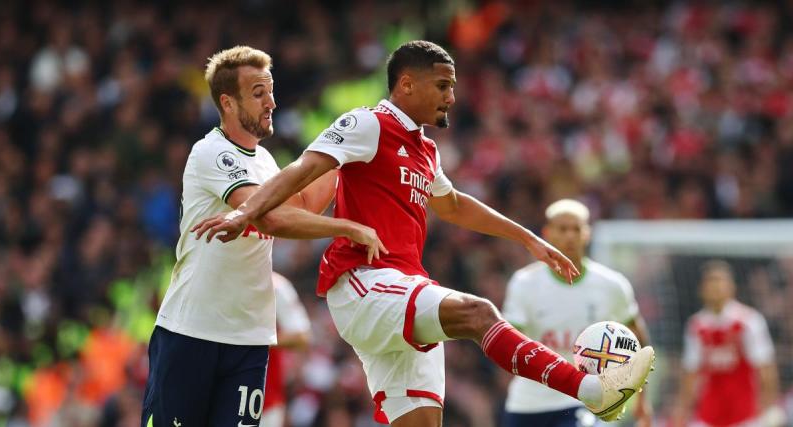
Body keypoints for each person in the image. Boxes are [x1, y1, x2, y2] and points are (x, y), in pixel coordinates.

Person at [192, 40, 654, 426]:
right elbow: (303, 168)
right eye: (442, 85)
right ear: (406, 84)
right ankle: (589, 388)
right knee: (477, 313)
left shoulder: (425, 150)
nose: (451, 96)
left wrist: (528, 238)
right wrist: (244, 213)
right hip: (364, 281)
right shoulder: (368, 123)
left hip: (403, 286)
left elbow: (453, 205)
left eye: (452, 86)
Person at [141, 46, 385, 427]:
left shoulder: (265, 161)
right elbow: (268, 217)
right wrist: (346, 227)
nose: (271, 102)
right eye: (258, 93)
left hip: (249, 338)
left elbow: (301, 206)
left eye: (270, 91)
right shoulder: (210, 153)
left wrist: (344, 155)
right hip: (192, 331)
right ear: (229, 102)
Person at [501, 199, 653, 427]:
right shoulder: (524, 283)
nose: (570, 236)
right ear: (547, 233)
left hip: (585, 399)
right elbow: (509, 345)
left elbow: (638, 341)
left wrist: (641, 397)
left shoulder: (612, 285)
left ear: (587, 233)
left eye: (576, 229)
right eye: (562, 229)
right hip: (528, 402)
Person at [672, 260, 786, 427]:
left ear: (732, 287)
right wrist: (681, 411)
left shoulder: (749, 321)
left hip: (745, 416)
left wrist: (769, 406)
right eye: (710, 281)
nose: (715, 286)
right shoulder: (696, 325)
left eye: (720, 281)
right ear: (701, 289)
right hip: (708, 415)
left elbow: (766, 368)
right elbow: (690, 373)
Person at [260, 272, 312, 427]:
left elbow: (301, 336)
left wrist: (255, 340)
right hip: (217, 392)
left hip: (265, 402)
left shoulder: (276, 285)